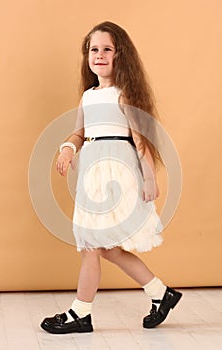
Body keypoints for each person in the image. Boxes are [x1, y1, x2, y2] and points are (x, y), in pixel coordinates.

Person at [41, 21, 182, 334]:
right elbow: (80, 132)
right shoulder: (89, 96)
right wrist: (67, 149)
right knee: (106, 249)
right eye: (94, 49)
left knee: (92, 246)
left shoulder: (124, 94)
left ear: (120, 56)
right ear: (86, 56)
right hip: (92, 176)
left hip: (116, 174)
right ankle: (161, 293)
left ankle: (81, 313)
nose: (100, 55)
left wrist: (149, 178)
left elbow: (140, 138)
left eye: (107, 49)